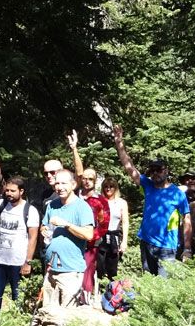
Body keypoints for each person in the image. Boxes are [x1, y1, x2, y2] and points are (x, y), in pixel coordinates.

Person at [112, 125, 191, 276]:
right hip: (146, 243)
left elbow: (186, 220)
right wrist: (119, 143)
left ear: (166, 171)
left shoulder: (177, 194)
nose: (155, 173)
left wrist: (187, 248)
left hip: (167, 248)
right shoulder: (148, 185)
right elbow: (129, 167)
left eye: (158, 170)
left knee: (163, 286)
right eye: (152, 170)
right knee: (148, 282)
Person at [40, 171, 95, 311]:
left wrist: (66, 225)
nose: (60, 187)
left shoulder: (82, 207)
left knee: (68, 315)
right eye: (57, 183)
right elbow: (44, 225)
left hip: (71, 271)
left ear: (73, 185)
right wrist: (43, 230)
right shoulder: (52, 205)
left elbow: (89, 235)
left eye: (64, 183)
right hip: (51, 268)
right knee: (47, 313)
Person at [0, 176, 40, 315]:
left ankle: (18, 323)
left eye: (13, 191)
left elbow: (33, 237)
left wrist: (28, 262)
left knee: (19, 299)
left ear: (21, 191)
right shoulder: (1, 205)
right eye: (7, 190)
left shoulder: (30, 211)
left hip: (18, 262)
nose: (9, 193)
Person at [67, 130, 110, 303]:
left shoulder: (100, 201)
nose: (86, 181)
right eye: (84, 178)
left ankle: (85, 301)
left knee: (87, 270)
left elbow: (103, 224)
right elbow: (78, 171)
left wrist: (91, 237)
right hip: (71, 238)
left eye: (90, 179)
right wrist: (74, 149)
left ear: (95, 181)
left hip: (90, 244)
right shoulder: (75, 195)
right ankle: (69, 298)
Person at [97, 176, 130, 279]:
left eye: (111, 186)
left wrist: (124, 241)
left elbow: (125, 222)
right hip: (101, 237)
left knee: (112, 269)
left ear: (115, 188)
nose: (108, 189)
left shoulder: (122, 203)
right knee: (99, 268)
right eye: (106, 186)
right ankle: (99, 287)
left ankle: (111, 287)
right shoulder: (99, 201)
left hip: (114, 237)